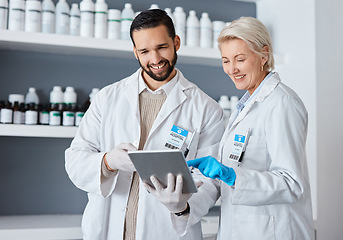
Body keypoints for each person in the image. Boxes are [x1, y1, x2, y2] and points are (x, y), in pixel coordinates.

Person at [65, 9, 225, 240]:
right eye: (145, 51)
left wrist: (182, 206)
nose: (155, 59)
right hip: (108, 229)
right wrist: (108, 162)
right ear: (135, 52)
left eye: (162, 47)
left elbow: (211, 180)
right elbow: (75, 158)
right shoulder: (107, 98)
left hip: (167, 232)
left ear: (176, 42)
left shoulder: (206, 109)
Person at [188, 17, 315, 240]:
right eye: (226, 60)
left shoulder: (281, 103)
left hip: (274, 231)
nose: (231, 69)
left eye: (240, 59)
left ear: (263, 55)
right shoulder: (245, 106)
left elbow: (291, 183)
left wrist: (231, 176)